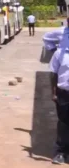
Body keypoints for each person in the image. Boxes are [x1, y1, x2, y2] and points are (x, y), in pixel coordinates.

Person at [51, 21, 69, 164]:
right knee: (63, 123)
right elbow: (53, 74)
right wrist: (54, 92)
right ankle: (61, 152)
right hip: (64, 93)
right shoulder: (60, 54)